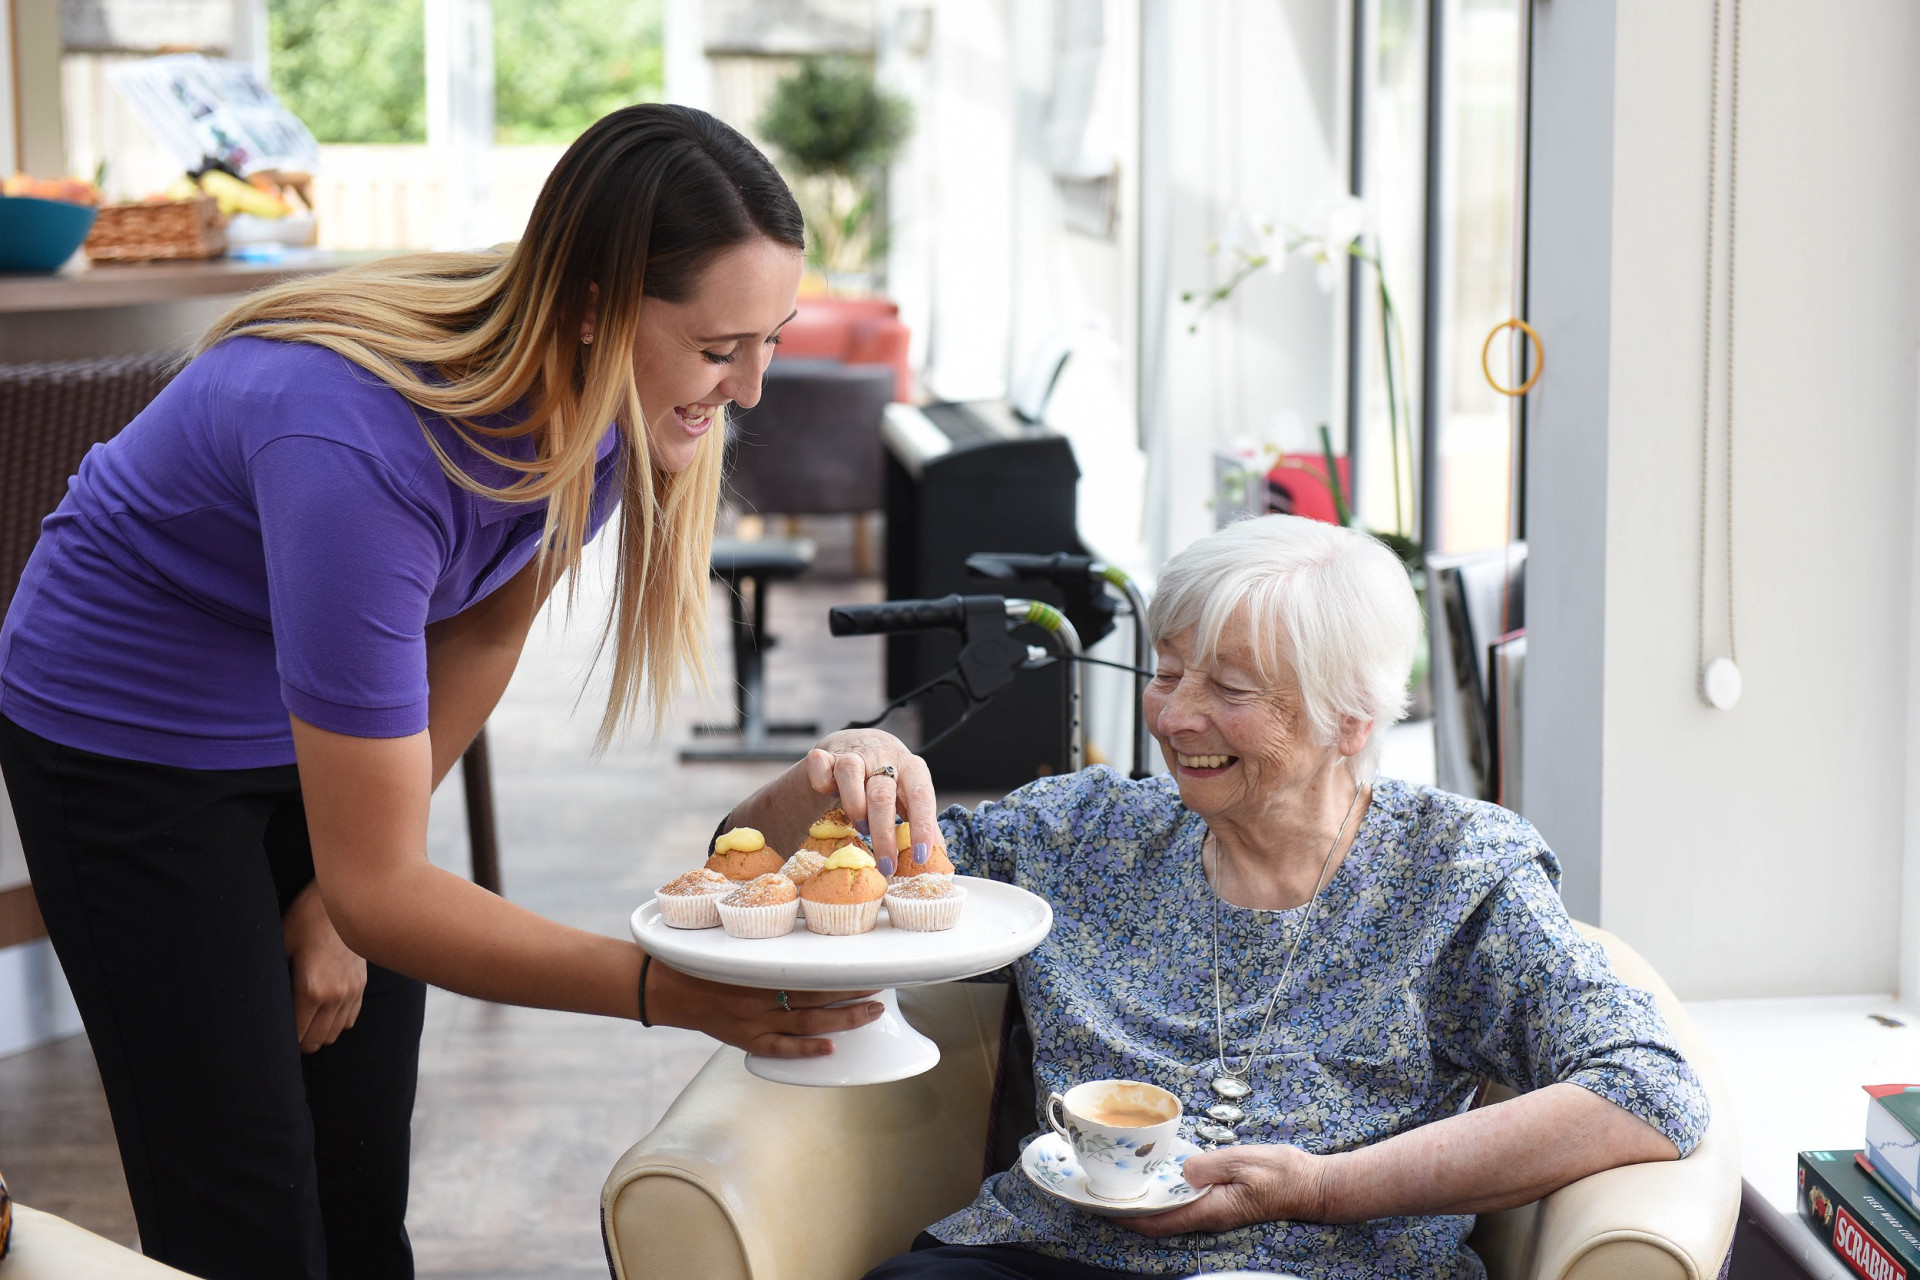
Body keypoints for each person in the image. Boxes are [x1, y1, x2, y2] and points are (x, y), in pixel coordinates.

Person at [0, 104, 932, 1280]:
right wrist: (667, 988)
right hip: (122, 727)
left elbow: (489, 622)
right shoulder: (352, 448)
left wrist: (346, 901)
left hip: (311, 707)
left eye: (770, 339)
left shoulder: (611, 412)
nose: (749, 387)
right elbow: (391, 882)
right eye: (717, 347)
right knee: (245, 1202)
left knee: (355, 1170)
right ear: (596, 305)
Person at [857, 515, 1710, 1280]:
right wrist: (845, 769)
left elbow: (1648, 1089)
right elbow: (829, 873)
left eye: (1229, 690)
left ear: (1353, 719)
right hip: (1045, 1257)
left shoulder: (1454, 871)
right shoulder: (1084, 833)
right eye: (1169, 672)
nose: (1177, 716)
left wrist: (1323, 1189)